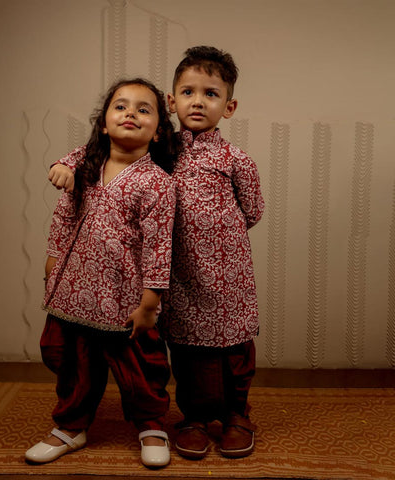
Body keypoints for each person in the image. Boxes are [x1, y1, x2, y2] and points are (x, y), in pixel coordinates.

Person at [25, 78, 178, 468]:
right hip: (75, 290)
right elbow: (63, 217)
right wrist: (52, 258)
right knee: (75, 364)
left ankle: (150, 425)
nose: (131, 113)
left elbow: (160, 245)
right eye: (121, 106)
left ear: (158, 131)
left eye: (144, 109)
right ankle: (71, 427)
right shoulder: (86, 169)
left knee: (140, 365)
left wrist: (150, 303)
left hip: (126, 296)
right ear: (105, 124)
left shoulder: (157, 184)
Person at [159, 46, 265, 460]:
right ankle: (195, 418)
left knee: (235, 345)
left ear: (229, 105)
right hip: (180, 274)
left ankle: (237, 415)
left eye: (210, 93)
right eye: (187, 92)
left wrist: (217, 238)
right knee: (188, 348)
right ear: (171, 101)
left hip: (230, 272)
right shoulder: (162, 155)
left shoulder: (237, 160)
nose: (198, 101)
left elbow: (252, 211)